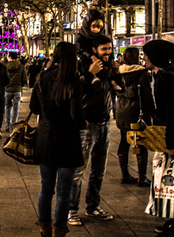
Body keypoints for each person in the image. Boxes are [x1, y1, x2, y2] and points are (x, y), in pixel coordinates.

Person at [30, 42, 86, 237]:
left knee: (46, 188)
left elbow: (34, 108)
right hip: (67, 141)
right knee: (63, 191)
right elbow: (76, 114)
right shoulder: (73, 80)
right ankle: (59, 230)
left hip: (45, 138)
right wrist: (84, 124)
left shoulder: (42, 76)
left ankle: (44, 227)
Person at [143, 39, 174, 237]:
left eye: (146, 54)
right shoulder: (165, 76)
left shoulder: (168, 79)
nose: (144, 57)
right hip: (170, 132)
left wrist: (171, 142)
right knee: (169, 180)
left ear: (155, 57)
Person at [67, 34, 115, 227]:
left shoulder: (109, 68)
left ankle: (93, 205)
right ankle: (71, 209)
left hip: (105, 123)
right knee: (78, 171)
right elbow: (75, 91)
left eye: (110, 49)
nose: (108, 52)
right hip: (87, 125)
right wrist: (90, 73)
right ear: (94, 50)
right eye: (104, 49)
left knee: (99, 170)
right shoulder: (83, 67)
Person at [114, 47, 154, 187]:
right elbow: (146, 94)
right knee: (140, 141)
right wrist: (152, 111)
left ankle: (125, 174)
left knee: (124, 140)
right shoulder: (141, 72)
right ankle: (141, 177)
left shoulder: (118, 71)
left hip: (121, 110)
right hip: (137, 111)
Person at [4, 51, 28, 132]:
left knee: (7, 107)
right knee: (16, 108)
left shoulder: (5, 66)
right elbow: (24, 78)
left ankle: (7, 125)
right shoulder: (21, 66)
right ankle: (14, 125)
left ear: (10, 57)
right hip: (17, 89)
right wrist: (20, 85)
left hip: (7, 89)